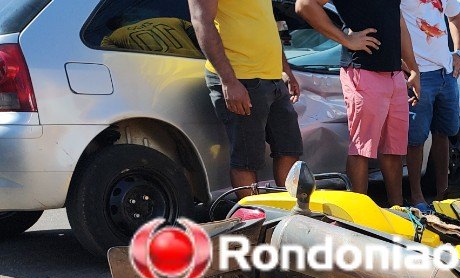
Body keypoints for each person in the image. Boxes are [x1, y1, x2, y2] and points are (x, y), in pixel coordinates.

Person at [296, 0, 421, 204]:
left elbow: (398, 21)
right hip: (362, 71)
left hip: (394, 73)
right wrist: (346, 39)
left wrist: (414, 68)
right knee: (362, 149)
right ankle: (358, 218)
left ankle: (397, 211)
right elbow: (304, 5)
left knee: (394, 149)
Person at [189, 0, 304, 194]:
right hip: (240, 78)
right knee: (247, 160)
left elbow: (266, 25)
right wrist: (228, 81)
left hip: (272, 77)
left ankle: (288, 211)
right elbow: (202, 23)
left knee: (289, 150)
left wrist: (285, 70)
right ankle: (256, 219)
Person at [402, 0, 460, 208]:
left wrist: (459, 53)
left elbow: (455, 17)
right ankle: (417, 196)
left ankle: (443, 195)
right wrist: (409, 68)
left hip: (446, 73)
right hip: (419, 74)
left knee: (443, 133)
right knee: (415, 139)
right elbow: (394, 26)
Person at [101, 16, 202, 58]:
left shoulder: (112, 37)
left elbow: (112, 59)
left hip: (160, 80)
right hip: (196, 67)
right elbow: (202, 37)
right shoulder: (171, 20)